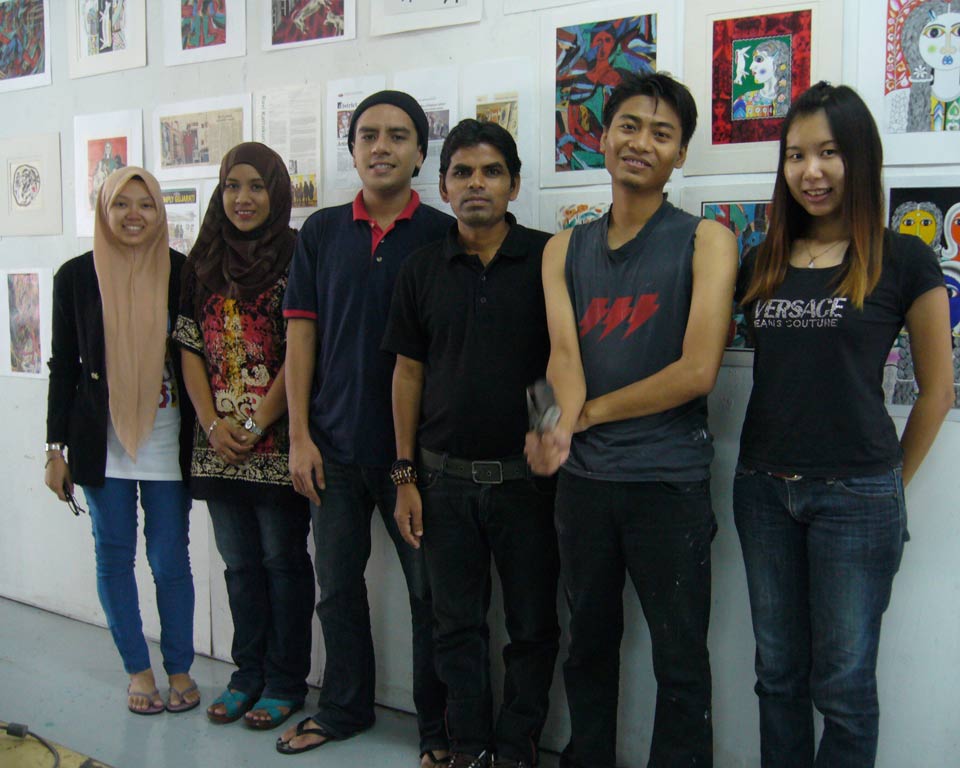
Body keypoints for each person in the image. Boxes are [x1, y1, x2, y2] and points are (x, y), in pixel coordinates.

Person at [733, 82, 953, 767]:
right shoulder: (762, 260)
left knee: (845, 687)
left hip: (856, 498)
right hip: (763, 491)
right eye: (796, 155)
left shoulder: (902, 257)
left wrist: (887, 486)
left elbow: (938, 392)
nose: (812, 171)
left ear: (859, 158)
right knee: (777, 676)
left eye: (829, 152)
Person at [525, 71, 738, 767]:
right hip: (584, 486)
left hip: (667, 482)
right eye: (629, 126)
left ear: (681, 153)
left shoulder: (707, 241)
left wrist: (584, 417)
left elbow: (696, 371)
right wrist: (556, 427)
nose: (642, 142)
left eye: (662, 133)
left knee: (680, 658)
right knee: (586, 645)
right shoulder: (564, 248)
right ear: (604, 136)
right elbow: (563, 354)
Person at [278, 91, 454, 763]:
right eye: (368, 135)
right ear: (352, 150)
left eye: (398, 135)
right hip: (334, 449)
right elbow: (301, 339)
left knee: (432, 597)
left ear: (420, 153)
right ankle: (344, 708)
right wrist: (300, 436)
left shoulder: (443, 234)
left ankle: (439, 730)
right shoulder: (321, 232)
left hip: (420, 459)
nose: (382, 146)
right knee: (338, 591)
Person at [384, 119, 560, 768]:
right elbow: (407, 373)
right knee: (454, 626)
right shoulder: (421, 269)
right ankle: (469, 746)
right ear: (443, 185)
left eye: (491, 172)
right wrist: (404, 474)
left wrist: (548, 430)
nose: (476, 184)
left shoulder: (548, 259)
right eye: (462, 172)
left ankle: (516, 747)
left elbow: (562, 362)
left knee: (533, 627)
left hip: (527, 484)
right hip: (444, 482)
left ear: (514, 184)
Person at [44, 166, 199, 716]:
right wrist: (54, 448)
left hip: (167, 437)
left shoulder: (183, 273)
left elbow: (195, 357)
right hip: (101, 441)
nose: (134, 215)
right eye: (121, 204)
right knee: (113, 556)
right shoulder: (75, 276)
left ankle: (179, 667)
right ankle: (138, 669)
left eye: (146, 204)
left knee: (169, 558)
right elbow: (63, 365)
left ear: (160, 212)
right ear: (103, 210)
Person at [173, 142, 314, 731]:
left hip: (279, 446)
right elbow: (188, 347)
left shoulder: (298, 254)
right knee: (239, 567)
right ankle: (246, 675)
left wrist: (257, 423)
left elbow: (302, 351)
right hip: (218, 448)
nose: (243, 198)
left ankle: (285, 682)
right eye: (232, 185)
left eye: (256, 186)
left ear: (276, 192)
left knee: (283, 564)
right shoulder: (202, 260)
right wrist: (212, 424)